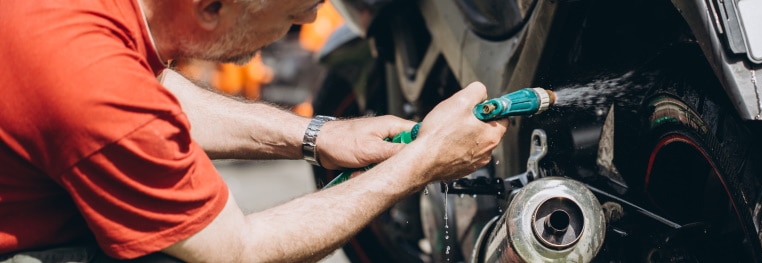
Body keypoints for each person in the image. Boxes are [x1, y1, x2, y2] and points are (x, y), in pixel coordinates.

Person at [0, 0, 508, 262]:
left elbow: (150, 92)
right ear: (211, 7)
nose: (309, 21)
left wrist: (318, 137)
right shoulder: (92, 89)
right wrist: (422, 163)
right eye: (292, 15)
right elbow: (237, 250)